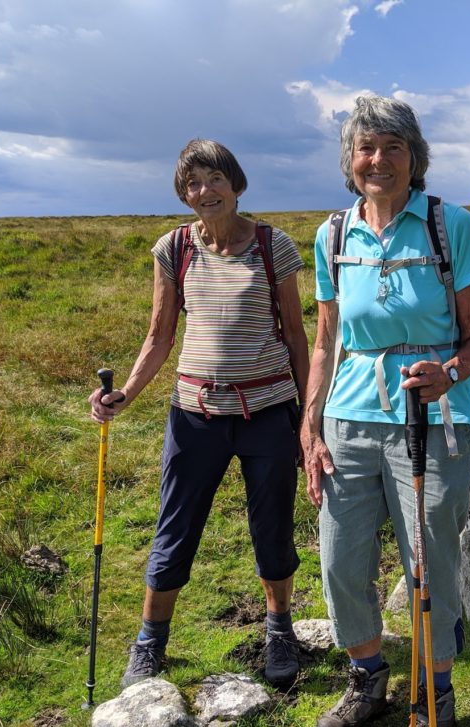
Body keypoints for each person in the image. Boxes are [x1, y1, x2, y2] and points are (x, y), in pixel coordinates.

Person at [301, 96, 470, 727]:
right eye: (364, 148)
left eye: (391, 147)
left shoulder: (449, 227)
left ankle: (434, 700)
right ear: (349, 162)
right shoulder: (332, 236)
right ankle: (368, 682)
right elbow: (325, 341)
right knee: (340, 560)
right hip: (348, 420)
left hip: (434, 422)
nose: (376, 160)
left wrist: (449, 372)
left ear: (415, 158)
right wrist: (310, 426)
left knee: (428, 566)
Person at [88, 139, 309, 691]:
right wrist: (126, 395)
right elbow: (160, 334)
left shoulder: (271, 246)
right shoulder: (175, 248)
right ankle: (149, 643)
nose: (203, 192)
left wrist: (309, 417)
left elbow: (297, 335)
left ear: (236, 185)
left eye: (214, 179)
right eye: (192, 184)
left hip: (268, 410)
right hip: (195, 414)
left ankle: (279, 629)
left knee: (273, 525)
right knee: (176, 527)